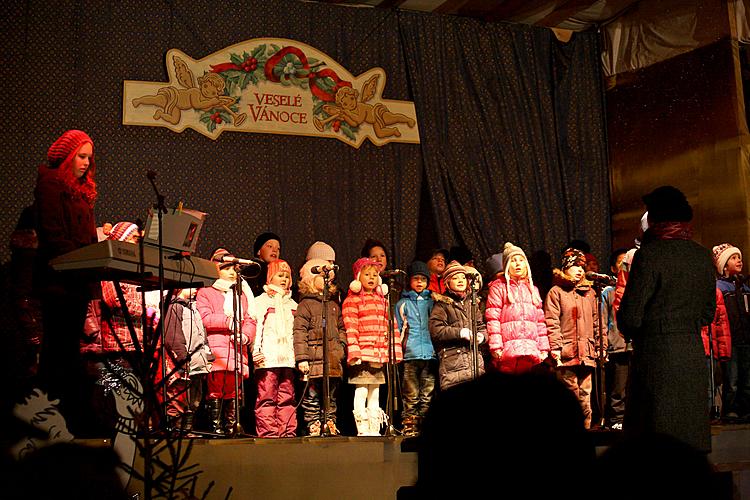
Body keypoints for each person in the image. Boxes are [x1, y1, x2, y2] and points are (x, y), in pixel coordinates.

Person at [619, 186, 716, 452]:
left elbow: (631, 314)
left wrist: (634, 328)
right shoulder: (701, 255)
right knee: (688, 440)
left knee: (655, 445)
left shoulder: (649, 255)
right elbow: (709, 311)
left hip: (656, 356)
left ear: (655, 219)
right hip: (691, 353)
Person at [33, 129, 99, 434]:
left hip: (78, 281)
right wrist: (82, 260)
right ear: (68, 155)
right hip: (60, 281)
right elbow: (54, 233)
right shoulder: (50, 183)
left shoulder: (82, 191)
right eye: (81, 156)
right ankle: (46, 419)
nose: (85, 163)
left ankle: (68, 420)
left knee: (68, 350)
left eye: (89, 157)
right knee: (57, 352)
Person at [196, 248, 257, 436]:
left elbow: (249, 319)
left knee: (234, 391)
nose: (232, 272)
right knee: (216, 390)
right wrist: (227, 321)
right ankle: (216, 427)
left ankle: (232, 426)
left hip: (236, 350)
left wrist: (245, 335)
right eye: (227, 268)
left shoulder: (240, 294)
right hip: (217, 349)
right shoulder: (206, 291)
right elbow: (204, 317)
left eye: (234, 268)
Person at [544, 248, 605, 429]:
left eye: (582, 266)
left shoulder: (590, 293)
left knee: (586, 393)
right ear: (566, 268)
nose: (580, 269)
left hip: (586, 352)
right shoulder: (556, 292)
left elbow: (597, 321)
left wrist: (601, 345)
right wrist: (555, 347)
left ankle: (585, 431)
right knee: (570, 394)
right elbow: (551, 321)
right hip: (566, 353)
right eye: (575, 266)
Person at [343, 257, 402, 436]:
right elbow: (350, 326)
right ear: (358, 278)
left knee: (375, 391)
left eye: (375, 274)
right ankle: (362, 428)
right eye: (367, 274)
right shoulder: (352, 300)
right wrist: (354, 352)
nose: (371, 278)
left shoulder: (383, 301)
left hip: (379, 355)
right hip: (362, 355)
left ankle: (374, 428)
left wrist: (395, 351)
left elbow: (392, 328)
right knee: (361, 390)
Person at [293, 259, 347, 436]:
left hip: (332, 359)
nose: (327, 280)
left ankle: (329, 422)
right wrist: (302, 358)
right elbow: (299, 332)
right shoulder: (306, 304)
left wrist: (341, 347)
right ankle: (314, 423)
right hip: (314, 359)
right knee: (312, 396)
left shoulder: (332, 304)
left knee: (330, 396)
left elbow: (341, 328)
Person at [485, 242, 550, 374]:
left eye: (521, 260)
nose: (518, 264)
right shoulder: (498, 288)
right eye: (513, 261)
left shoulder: (532, 289)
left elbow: (540, 322)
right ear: (507, 265)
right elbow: (493, 319)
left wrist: (543, 348)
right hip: (508, 351)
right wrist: (496, 346)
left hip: (531, 350)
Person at [252, 260, 298, 437]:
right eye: (280, 275)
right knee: (266, 396)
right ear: (270, 277)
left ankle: (286, 432)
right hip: (268, 358)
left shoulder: (293, 304)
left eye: (287, 276)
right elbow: (257, 328)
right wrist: (256, 351)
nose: (284, 279)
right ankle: (269, 433)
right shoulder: (261, 301)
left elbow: (296, 333)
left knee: (287, 396)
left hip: (287, 358)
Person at [163, 287, 213, 434]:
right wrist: (182, 358)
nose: (196, 289)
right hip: (182, 362)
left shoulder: (193, 308)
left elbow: (202, 334)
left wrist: (208, 356)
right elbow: (173, 337)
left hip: (197, 362)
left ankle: (187, 429)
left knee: (194, 399)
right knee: (179, 397)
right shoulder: (174, 307)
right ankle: (176, 430)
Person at [429, 261, 486, 390]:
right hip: (453, 364)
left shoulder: (472, 303)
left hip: (474, 361)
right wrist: (459, 333)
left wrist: (482, 336)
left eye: (463, 277)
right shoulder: (442, 304)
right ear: (447, 283)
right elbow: (436, 330)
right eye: (455, 278)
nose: (460, 281)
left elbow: (481, 326)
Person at [395, 261, 436, 437]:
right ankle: (410, 425)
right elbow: (397, 329)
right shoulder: (402, 304)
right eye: (415, 279)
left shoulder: (433, 302)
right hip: (410, 355)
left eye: (423, 279)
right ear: (409, 281)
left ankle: (425, 425)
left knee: (427, 394)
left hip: (430, 354)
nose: (419, 282)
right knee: (411, 394)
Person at [712, 243, 750, 421]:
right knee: (732, 379)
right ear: (724, 265)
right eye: (734, 258)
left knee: (747, 377)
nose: (739, 260)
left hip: (746, 338)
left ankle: (746, 408)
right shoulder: (719, 287)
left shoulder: (744, 286)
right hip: (731, 340)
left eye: (739, 257)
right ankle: (731, 409)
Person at [601, 248, 631, 430]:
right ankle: (616, 418)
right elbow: (604, 320)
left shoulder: (636, 288)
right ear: (613, 268)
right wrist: (606, 343)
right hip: (618, 346)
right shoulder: (609, 292)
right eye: (621, 263)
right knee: (618, 387)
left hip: (635, 346)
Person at [247, 232, 281, 296]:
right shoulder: (254, 269)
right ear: (258, 251)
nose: (275, 250)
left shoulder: (281, 270)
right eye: (270, 246)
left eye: (278, 248)